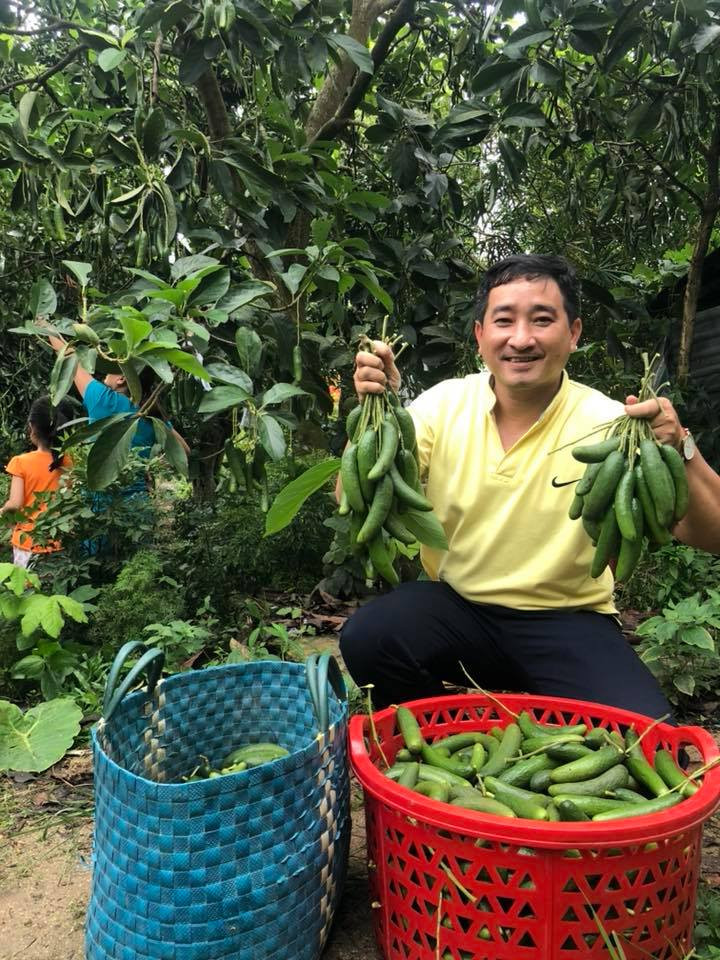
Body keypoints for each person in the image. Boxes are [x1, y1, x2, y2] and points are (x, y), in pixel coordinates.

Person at [339, 254, 720, 716]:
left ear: (573, 333)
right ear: (481, 335)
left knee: (650, 738)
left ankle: (540, 707)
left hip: (568, 621)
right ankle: (437, 726)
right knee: (369, 638)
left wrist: (682, 447)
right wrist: (380, 422)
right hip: (457, 611)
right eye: (504, 321)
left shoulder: (612, 425)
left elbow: (709, 534)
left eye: (542, 320)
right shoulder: (441, 406)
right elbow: (352, 498)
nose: (521, 339)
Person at [1, 396, 73, 567]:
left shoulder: (21, 462)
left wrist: (3, 511)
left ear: (32, 427)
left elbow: (15, 504)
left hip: (28, 543)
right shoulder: (71, 461)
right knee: (56, 593)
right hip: (61, 542)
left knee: (27, 591)